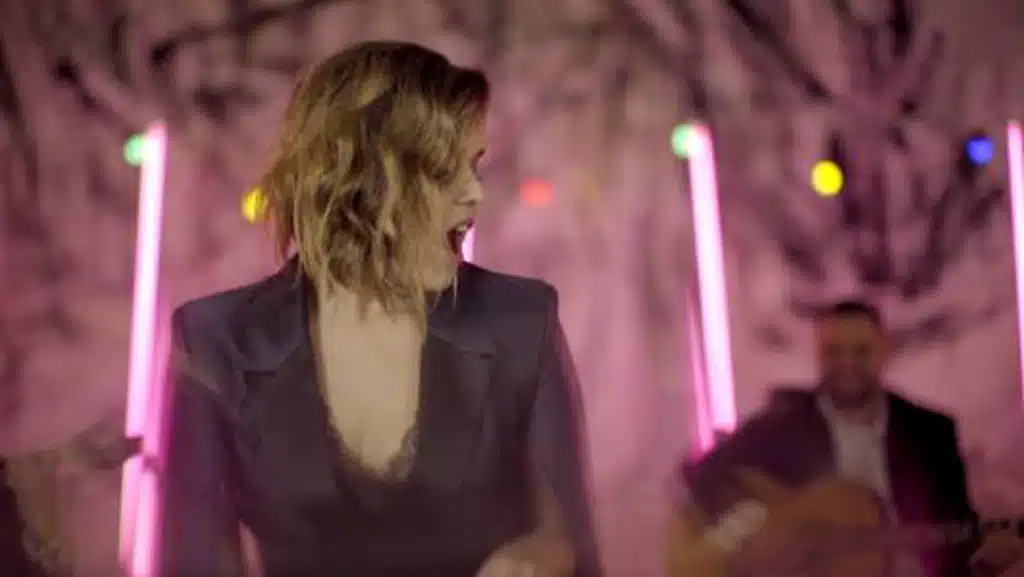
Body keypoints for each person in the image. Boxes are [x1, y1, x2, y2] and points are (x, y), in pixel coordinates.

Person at [158, 42, 601, 577]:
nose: (474, 193)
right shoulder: (216, 341)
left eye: (475, 165)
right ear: (360, 178)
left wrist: (537, 558)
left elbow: (573, 548)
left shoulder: (522, 322)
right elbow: (192, 563)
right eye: (445, 170)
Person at [669, 300, 1022, 577]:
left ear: (883, 352)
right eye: (833, 352)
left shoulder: (930, 432)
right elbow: (700, 474)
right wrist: (755, 531)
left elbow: (953, 539)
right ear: (818, 355)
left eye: (860, 351)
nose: (846, 363)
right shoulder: (784, 424)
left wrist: (985, 562)